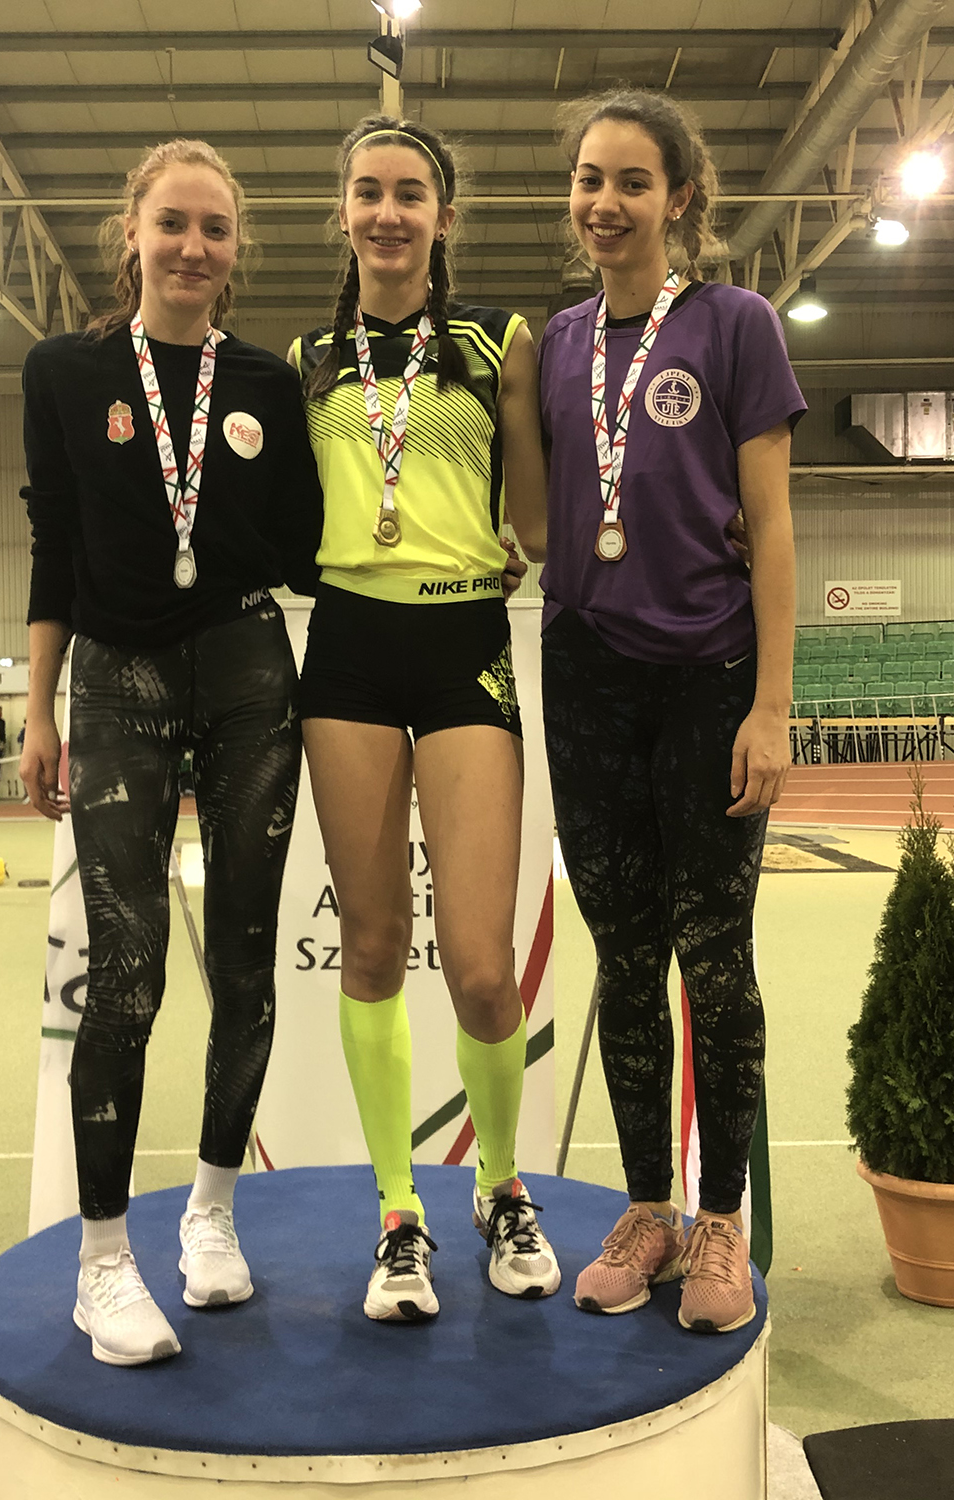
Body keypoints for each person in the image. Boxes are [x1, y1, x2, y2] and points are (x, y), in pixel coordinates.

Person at [19, 138, 323, 1367]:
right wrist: (38, 709)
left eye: (215, 228)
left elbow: (308, 546)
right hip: (117, 678)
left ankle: (211, 1212)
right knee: (129, 970)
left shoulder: (266, 383)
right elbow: (52, 548)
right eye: (173, 224)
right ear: (131, 233)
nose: (193, 247)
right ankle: (102, 1261)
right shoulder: (62, 372)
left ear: (236, 250)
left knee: (246, 963)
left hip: (249, 674)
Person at [538, 91, 802, 1335]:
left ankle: (723, 1222)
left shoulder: (736, 325)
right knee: (626, 959)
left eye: (632, 181)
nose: (605, 203)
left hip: (709, 673)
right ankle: (649, 1210)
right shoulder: (555, 342)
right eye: (589, 179)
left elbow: (775, 526)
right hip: (586, 673)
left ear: (679, 198)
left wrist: (772, 706)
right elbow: (534, 512)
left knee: (717, 955)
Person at [287, 116, 553, 1324]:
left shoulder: (499, 342)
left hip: (463, 649)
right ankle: (400, 1213)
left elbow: (539, 523)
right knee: (375, 947)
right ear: (343, 212)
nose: (388, 213)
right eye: (368, 192)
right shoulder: (306, 359)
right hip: (346, 650)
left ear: (444, 218)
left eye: (410, 195)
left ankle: (500, 1187)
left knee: (485, 970)